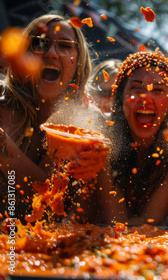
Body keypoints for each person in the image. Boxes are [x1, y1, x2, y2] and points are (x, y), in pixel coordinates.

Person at [0, 14, 105, 218]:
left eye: (65, 46)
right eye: (39, 43)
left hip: (47, 245)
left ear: (78, 61)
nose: (51, 53)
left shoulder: (87, 119)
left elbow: (46, 193)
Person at [95, 51, 168, 225]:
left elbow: (150, 221)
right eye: (136, 88)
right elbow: (117, 223)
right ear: (120, 98)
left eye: (158, 90)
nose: (146, 97)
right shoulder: (101, 141)